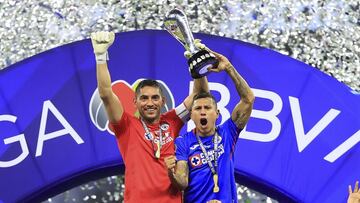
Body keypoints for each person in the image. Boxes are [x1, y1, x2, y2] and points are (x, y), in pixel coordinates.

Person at [90, 31, 210, 203]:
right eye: (144, 98)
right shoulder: (125, 125)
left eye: (155, 98)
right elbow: (106, 93)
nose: (150, 103)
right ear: (135, 103)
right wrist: (100, 56)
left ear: (163, 101)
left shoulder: (172, 121)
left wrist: (196, 59)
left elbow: (201, 94)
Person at [164, 49, 255, 203]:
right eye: (198, 109)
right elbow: (183, 181)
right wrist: (171, 173)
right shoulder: (183, 142)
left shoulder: (228, 133)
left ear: (217, 113)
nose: (203, 112)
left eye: (207, 108)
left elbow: (248, 99)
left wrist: (228, 68)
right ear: (191, 115)